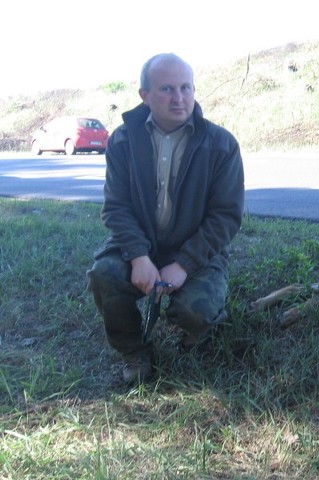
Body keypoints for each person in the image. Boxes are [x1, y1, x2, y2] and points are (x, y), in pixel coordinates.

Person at [87, 53, 245, 383]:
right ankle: (135, 352)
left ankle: (200, 329)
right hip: (141, 245)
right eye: (167, 89)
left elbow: (226, 216)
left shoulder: (220, 144)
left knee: (195, 311)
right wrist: (139, 257)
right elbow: (116, 207)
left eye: (186, 87)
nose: (179, 98)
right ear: (144, 95)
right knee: (104, 273)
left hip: (196, 251)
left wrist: (184, 263)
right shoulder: (123, 140)